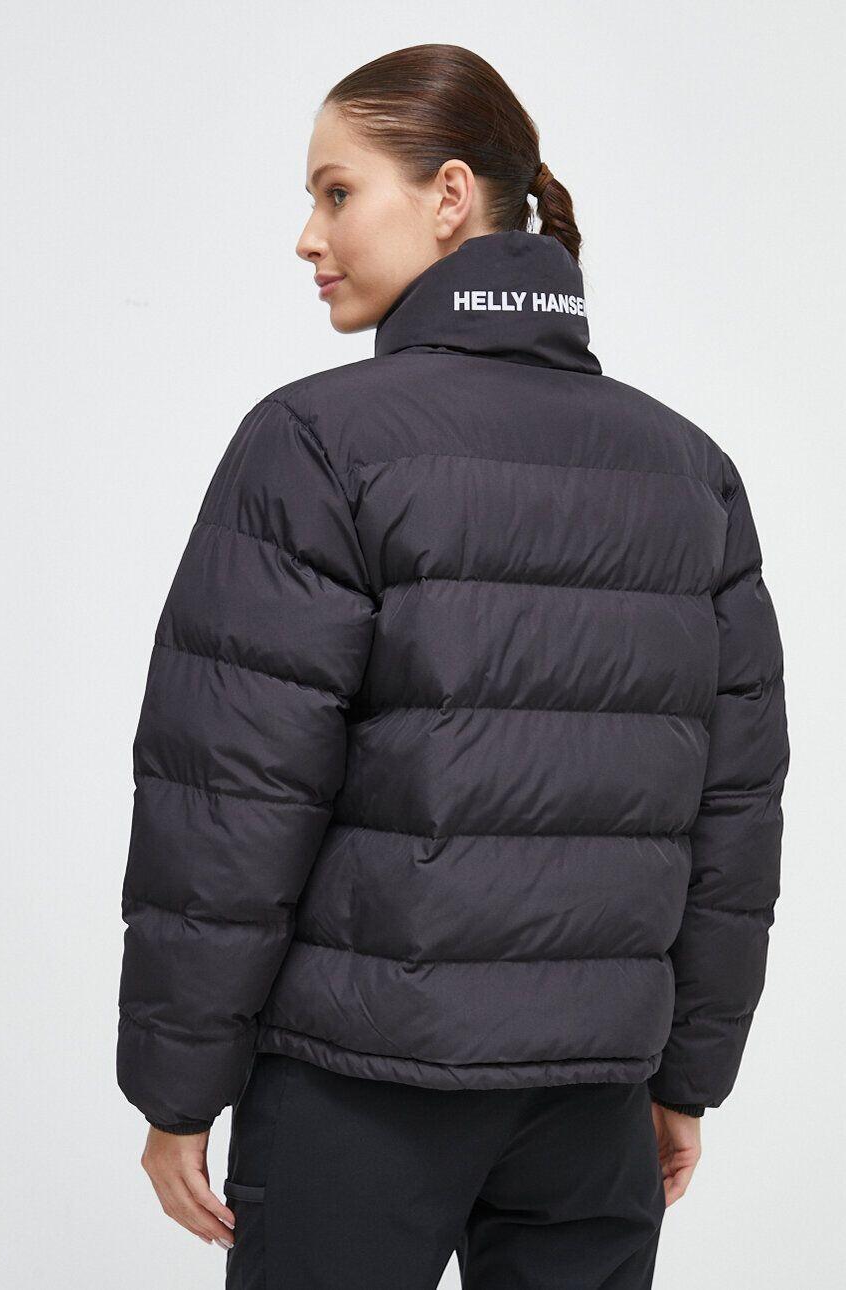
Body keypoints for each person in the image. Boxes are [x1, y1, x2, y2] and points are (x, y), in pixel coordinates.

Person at [116, 43, 790, 1290]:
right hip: (595, 1101)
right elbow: (735, 811)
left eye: (336, 192)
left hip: (357, 1088)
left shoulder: (316, 442)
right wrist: (686, 1075)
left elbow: (232, 800)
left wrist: (176, 1085)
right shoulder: (689, 469)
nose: (309, 237)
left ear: (449, 196)